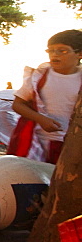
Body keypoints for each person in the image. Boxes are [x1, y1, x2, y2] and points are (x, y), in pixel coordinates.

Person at [9, 30, 82, 164]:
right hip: (37, 143)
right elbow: (18, 104)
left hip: (71, 146)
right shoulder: (39, 77)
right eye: (51, 50)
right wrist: (41, 119)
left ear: (79, 54)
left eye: (62, 51)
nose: (55, 54)